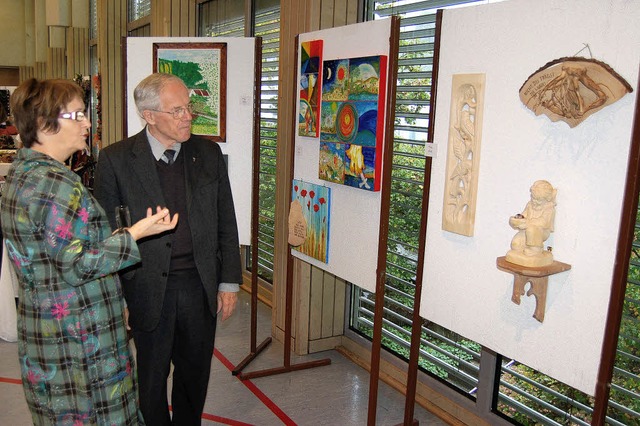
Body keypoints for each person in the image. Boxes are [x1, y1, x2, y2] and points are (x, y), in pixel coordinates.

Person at [0, 78, 179, 425]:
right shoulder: (52, 184)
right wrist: (136, 233)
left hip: (51, 328)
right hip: (78, 338)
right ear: (43, 124)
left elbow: (59, 253)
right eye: (77, 114)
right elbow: (78, 264)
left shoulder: (25, 174)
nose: (87, 123)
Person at [94, 73, 243, 425]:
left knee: (195, 374)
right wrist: (120, 297)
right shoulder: (115, 160)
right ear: (148, 116)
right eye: (176, 111)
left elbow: (226, 220)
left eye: (187, 107)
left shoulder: (207, 153)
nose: (188, 116)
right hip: (145, 287)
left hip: (198, 284)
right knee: (151, 376)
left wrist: (229, 282)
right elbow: (108, 235)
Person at [506, 180, 557, 267]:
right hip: (527, 231)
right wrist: (516, 220)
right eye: (533, 198)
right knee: (516, 245)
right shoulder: (530, 205)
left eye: (539, 200)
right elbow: (524, 215)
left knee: (531, 229)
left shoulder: (549, 208)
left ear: (547, 199)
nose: (535, 201)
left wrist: (527, 223)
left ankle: (536, 249)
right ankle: (528, 247)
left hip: (540, 232)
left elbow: (544, 222)